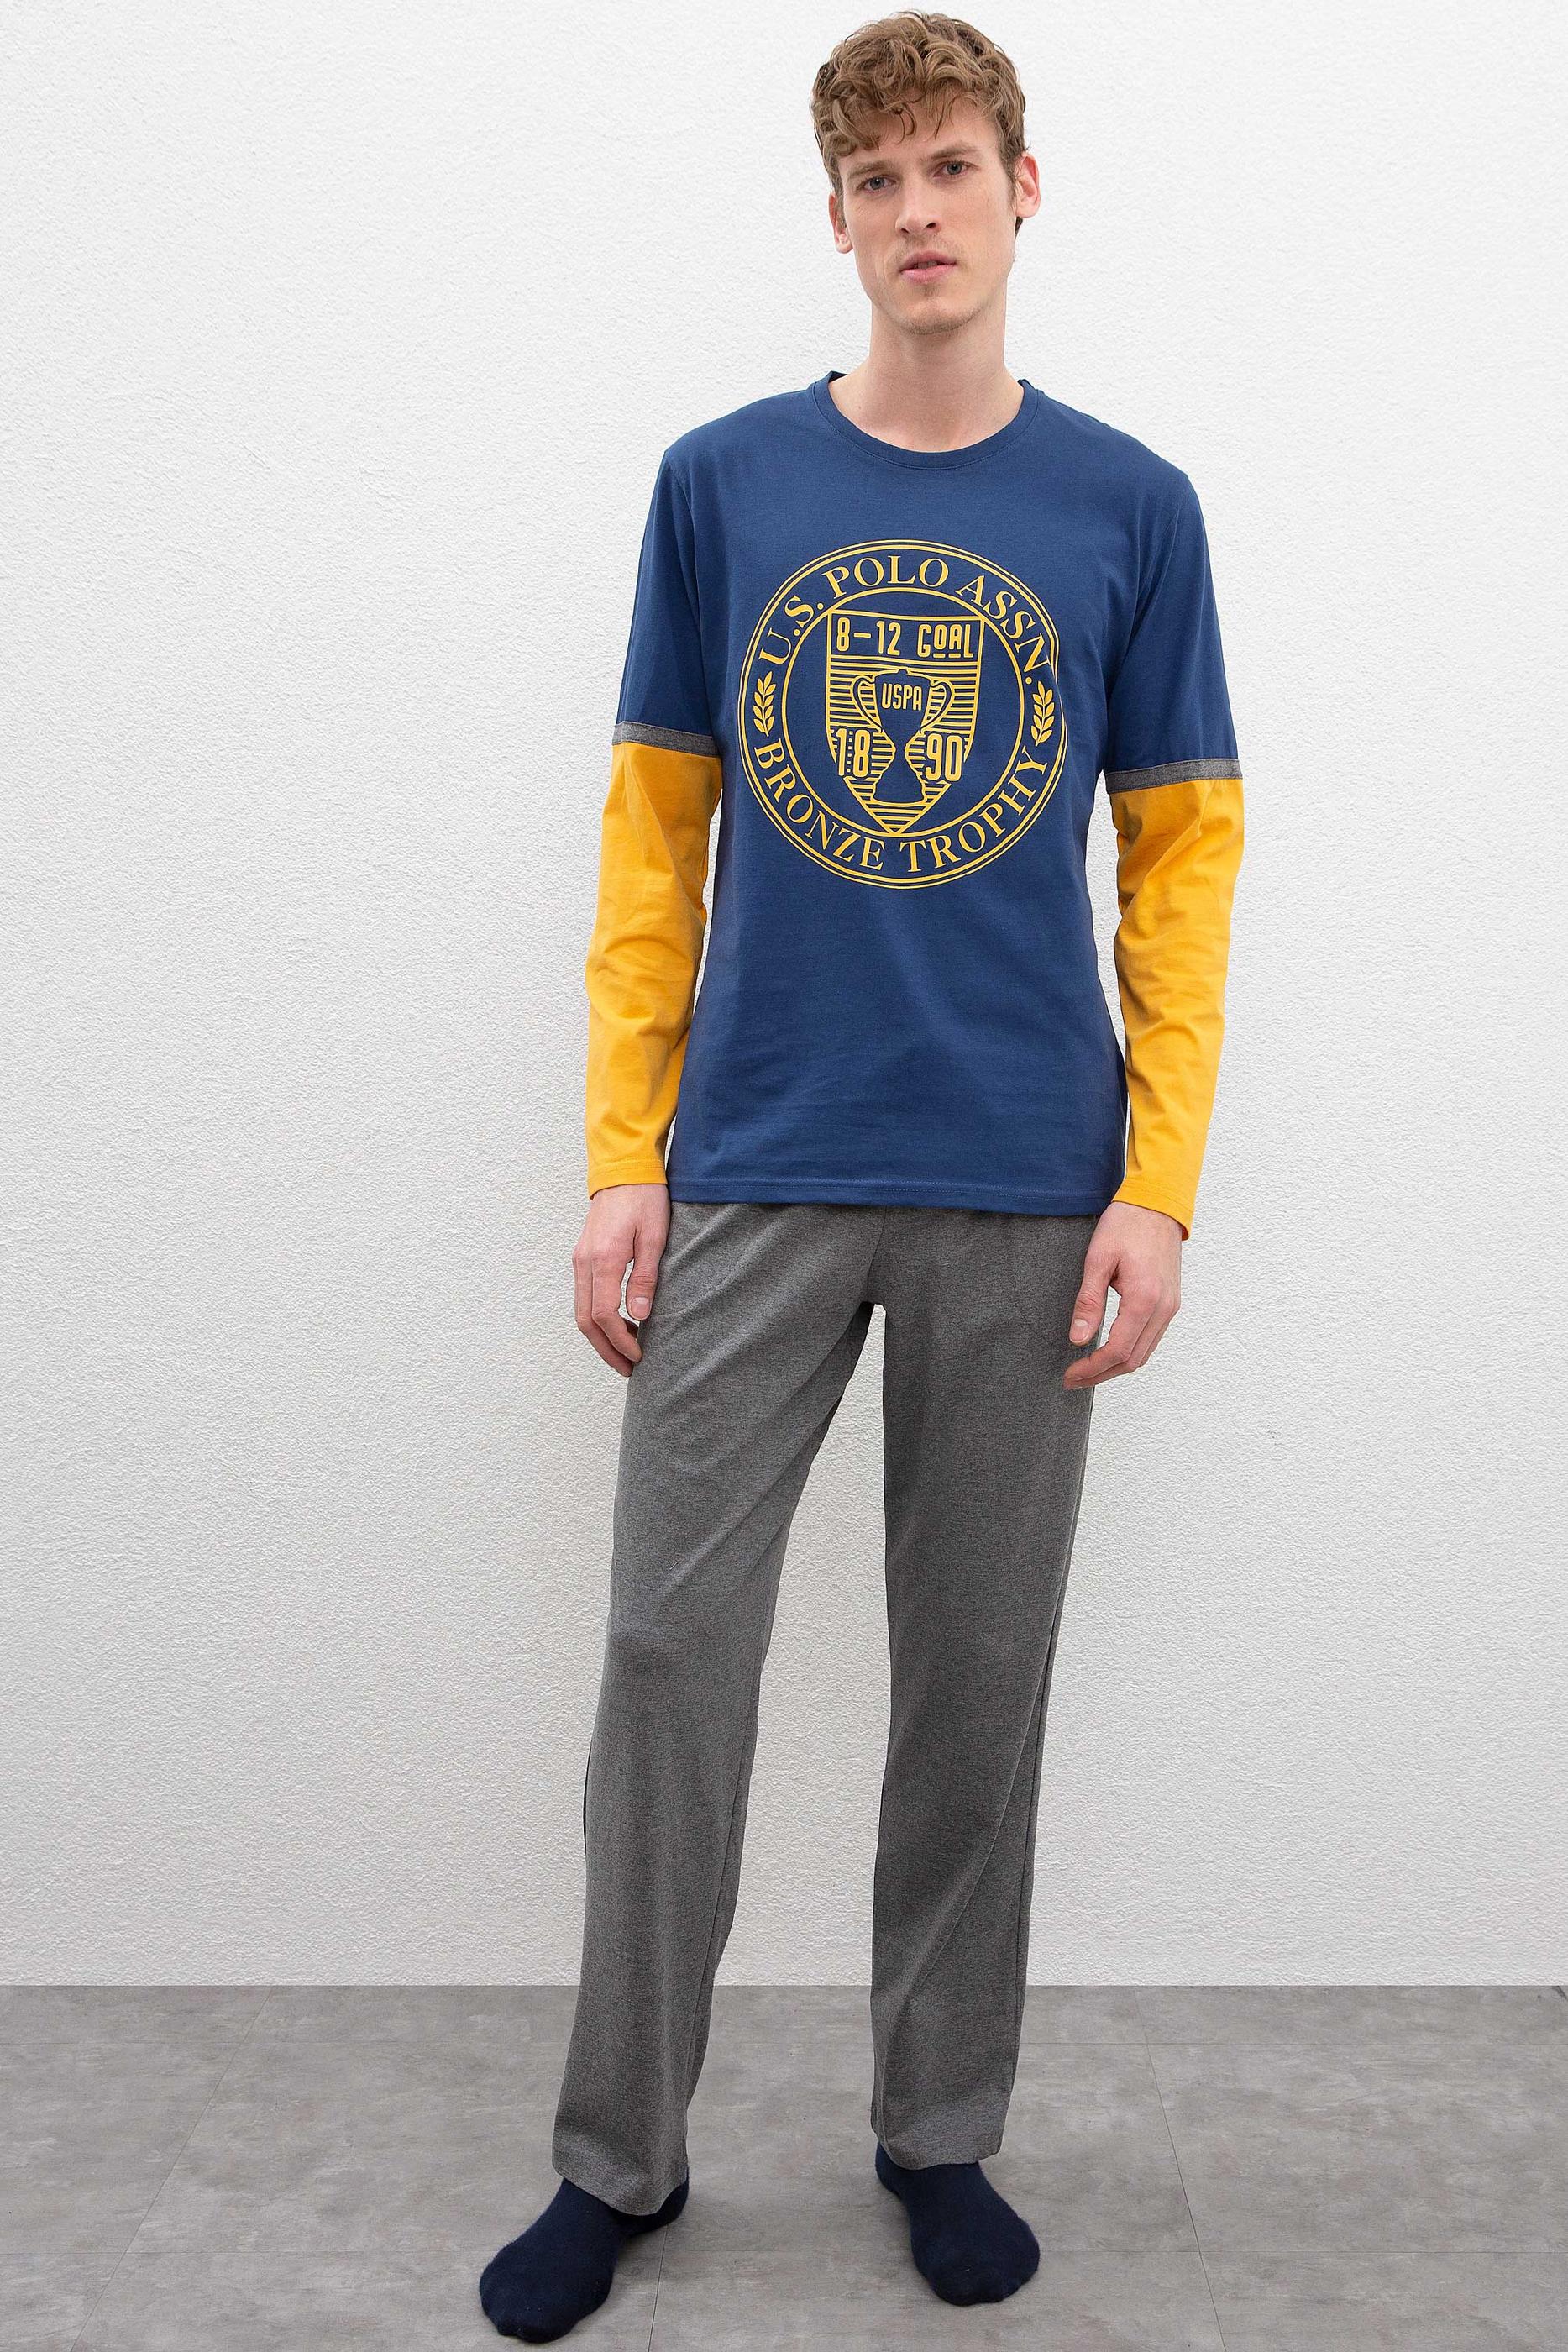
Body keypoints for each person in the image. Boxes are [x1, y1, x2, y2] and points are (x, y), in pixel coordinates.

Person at [480, 9, 1244, 2339]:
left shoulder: (1129, 508)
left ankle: (938, 2131)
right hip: (758, 1160)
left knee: (975, 1683)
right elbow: (654, 845)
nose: (919, 212)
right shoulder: (722, 487)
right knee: (664, 1655)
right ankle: (619, 2156)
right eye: (877, 180)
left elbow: (1181, 866)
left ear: (1026, 188)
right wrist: (623, 1155)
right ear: (834, 220)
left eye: (951, 167)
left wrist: (1159, 1183)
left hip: (1030, 1176)